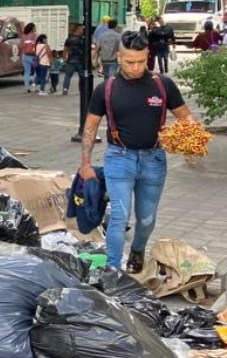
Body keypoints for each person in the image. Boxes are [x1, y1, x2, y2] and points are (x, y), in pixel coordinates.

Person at [80, 31, 198, 273]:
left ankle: (137, 249)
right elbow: (90, 128)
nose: (136, 68)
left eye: (141, 61)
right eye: (129, 61)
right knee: (119, 219)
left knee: (146, 220)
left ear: (148, 56)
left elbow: (187, 118)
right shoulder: (107, 89)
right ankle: (113, 271)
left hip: (154, 160)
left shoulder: (162, 85)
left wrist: (191, 137)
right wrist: (85, 163)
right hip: (118, 159)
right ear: (119, 57)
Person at [61, 24, 85, 95]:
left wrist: (64, 58)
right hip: (80, 60)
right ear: (77, 29)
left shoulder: (69, 39)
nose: (82, 30)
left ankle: (65, 88)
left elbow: (65, 49)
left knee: (68, 75)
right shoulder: (82, 39)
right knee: (81, 76)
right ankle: (81, 89)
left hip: (71, 60)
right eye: (81, 29)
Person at [20, 22, 38, 93]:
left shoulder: (23, 36)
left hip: (25, 55)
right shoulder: (35, 36)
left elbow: (20, 46)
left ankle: (26, 87)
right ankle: (34, 86)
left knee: (27, 72)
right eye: (35, 27)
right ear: (32, 28)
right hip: (33, 56)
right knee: (37, 72)